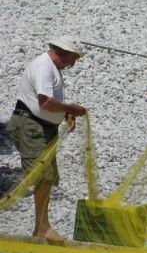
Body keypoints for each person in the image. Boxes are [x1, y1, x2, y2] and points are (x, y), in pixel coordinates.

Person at [7, 36, 87, 242]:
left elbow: (50, 103)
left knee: (47, 175)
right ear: (65, 53)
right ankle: (42, 227)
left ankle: (41, 227)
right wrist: (71, 108)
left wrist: (64, 115)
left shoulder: (51, 68)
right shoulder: (44, 66)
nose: (73, 64)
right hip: (32, 125)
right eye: (73, 59)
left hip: (41, 126)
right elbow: (45, 102)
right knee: (43, 174)